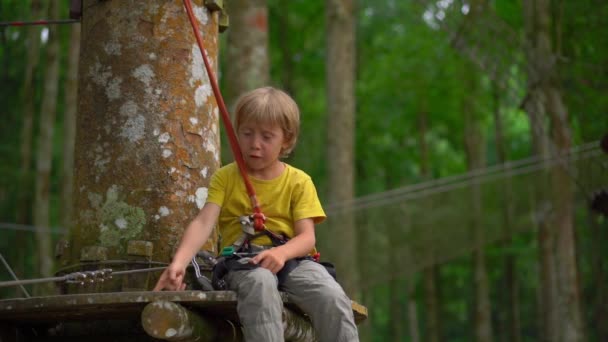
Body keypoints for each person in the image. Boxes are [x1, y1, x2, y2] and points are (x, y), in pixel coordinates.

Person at [154, 87, 359, 342]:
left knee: (331, 296)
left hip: (292, 260)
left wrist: (280, 253)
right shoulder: (226, 177)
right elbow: (204, 222)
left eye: (267, 136)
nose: (255, 144)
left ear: (286, 140)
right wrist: (179, 263)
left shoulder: (299, 182)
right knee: (261, 284)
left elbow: (306, 238)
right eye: (247, 133)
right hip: (243, 262)